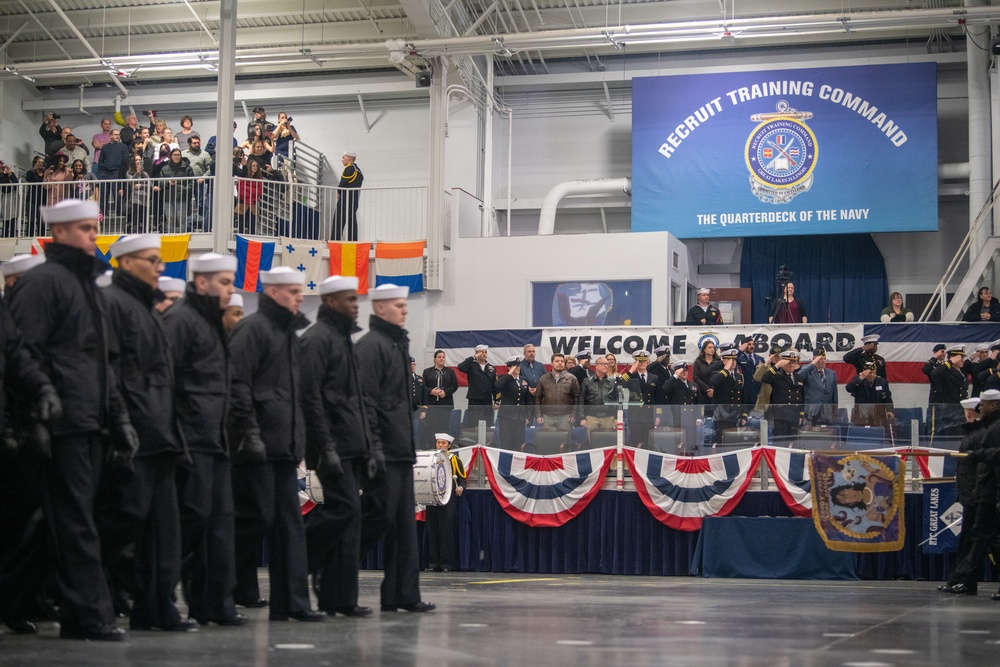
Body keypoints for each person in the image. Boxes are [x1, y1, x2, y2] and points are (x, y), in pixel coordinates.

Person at [9, 199, 138, 641]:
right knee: (73, 520)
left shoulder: (87, 288)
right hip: (62, 422)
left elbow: (104, 364)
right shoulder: (43, 283)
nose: (92, 236)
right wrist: (37, 417)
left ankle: (12, 598)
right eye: (84, 228)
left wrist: (117, 420)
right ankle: (86, 615)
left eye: (93, 228)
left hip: (89, 420)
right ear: (59, 232)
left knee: (63, 521)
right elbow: (24, 353)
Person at [101, 234, 195, 632]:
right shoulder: (113, 305)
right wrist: (124, 427)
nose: (160, 267)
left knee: (164, 533)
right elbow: (114, 375)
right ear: (125, 263)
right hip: (136, 435)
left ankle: (157, 607)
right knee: (122, 528)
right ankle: (99, 603)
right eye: (151, 260)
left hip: (160, 437)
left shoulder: (149, 310)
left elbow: (163, 380)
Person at [229, 266, 324, 623]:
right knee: (250, 523)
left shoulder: (289, 336)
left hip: (283, 449)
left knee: (288, 528)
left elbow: (296, 396)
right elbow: (238, 387)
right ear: (272, 292)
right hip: (255, 449)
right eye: (293, 292)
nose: (300, 297)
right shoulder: (251, 330)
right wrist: (250, 435)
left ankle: (293, 604)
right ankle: (217, 589)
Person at [162, 252, 245, 627]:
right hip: (189, 441)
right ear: (201, 283)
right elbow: (166, 385)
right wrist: (176, 438)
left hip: (215, 442)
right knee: (188, 525)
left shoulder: (212, 325)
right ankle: (158, 599)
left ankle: (214, 604)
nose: (232, 290)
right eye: (225, 283)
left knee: (218, 529)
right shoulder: (181, 321)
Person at [355, 283, 435, 613]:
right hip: (383, 450)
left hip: (401, 448)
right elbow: (366, 403)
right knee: (379, 519)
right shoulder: (371, 346)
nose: (404, 309)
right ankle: (334, 565)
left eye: (405, 305)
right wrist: (373, 447)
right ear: (379, 308)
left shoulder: (397, 344)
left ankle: (403, 594)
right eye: (398, 305)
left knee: (404, 526)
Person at [300, 275, 375, 617]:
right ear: (330, 302)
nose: (355, 305)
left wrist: (367, 445)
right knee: (343, 510)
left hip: (350, 443)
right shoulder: (317, 340)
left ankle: (339, 597)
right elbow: (310, 398)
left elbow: (356, 401)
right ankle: (296, 559)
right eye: (349, 300)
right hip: (332, 444)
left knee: (351, 521)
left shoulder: (343, 340)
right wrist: (323, 447)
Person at [940, 389, 1000, 596]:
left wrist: (979, 455)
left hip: (986, 490)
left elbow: (986, 463)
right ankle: (965, 580)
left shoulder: (990, 430)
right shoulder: (987, 428)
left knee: (983, 537)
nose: (979, 408)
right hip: (983, 490)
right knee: (980, 538)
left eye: (984, 404)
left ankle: (965, 580)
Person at [424, 433, 466, 573]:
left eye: (443, 443)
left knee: (445, 530)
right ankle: (432, 563)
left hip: (447, 499)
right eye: (438, 443)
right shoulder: (431, 458)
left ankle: (445, 564)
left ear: (449, 445)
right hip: (432, 497)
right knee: (432, 530)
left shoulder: (454, 459)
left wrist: (461, 487)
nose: (440, 445)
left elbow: (462, 479)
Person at [760, 349, 805, 442]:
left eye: (794, 362)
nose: (792, 365)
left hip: (794, 415)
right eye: (789, 362)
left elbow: (801, 396)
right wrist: (776, 366)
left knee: (793, 442)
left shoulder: (798, 377)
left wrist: (801, 414)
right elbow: (765, 378)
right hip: (780, 415)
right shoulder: (777, 376)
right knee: (780, 442)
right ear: (783, 363)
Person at [929, 345, 969, 442]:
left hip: (961, 413)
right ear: (953, 358)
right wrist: (950, 362)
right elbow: (934, 374)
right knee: (953, 441)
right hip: (951, 413)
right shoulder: (946, 372)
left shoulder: (961, 373)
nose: (963, 360)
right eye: (960, 358)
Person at [619, 351, 658, 447]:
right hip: (635, 414)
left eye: (644, 360)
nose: (642, 363)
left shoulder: (654, 377)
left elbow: (658, 397)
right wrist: (631, 370)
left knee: (648, 442)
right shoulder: (631, 377)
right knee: (635, 442)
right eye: (639, 361)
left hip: (649, 414)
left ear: (648, 362)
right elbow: (620, 383)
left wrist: (658, 414)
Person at [535, 353, 580, 431]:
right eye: (557, 361)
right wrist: (539, 415)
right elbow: (538, 398)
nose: (560, 363)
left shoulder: (572, 379)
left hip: (566, 416)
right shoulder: (543, 379)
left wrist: (573, 415)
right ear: (552, 363)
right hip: (547, 416)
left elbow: (577, 398)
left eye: (562, 361)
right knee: (548, 440)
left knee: (564, 441)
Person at [710, 348, 747, 441]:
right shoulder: (718, 374)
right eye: (730, 360)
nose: (733, 362)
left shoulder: (739, 376)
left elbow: (741, 396)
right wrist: (726, 369)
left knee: (734, 442)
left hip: (735, 415)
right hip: (722, 416)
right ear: (724, 360)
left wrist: (743, 414)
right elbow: (714, 382)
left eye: (734, 360)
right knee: (722, 441)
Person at [578, 355, 618, 438]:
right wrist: (582, 417)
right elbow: (581, 400)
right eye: (603, 364)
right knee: (591, 441)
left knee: (607, 441)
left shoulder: (612, 382)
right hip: (591, 416)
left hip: (608, 416)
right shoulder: (587, 381)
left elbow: (616, 401)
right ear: (596, 365)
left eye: (607, 364)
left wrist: (616, 417)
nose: (606, 366)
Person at [458, 344, 497, 431]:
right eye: (481, 352)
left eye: (485, 352)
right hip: (474, 400)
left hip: (487, 401)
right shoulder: (471, 366)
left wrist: (497, 400)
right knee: (473, 425)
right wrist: (473, 357)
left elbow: (495, 386)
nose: (484, 354)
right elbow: (460, 367)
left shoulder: (491, 368)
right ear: (476, 353)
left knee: (488, 425)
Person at [422, 350, 459, 439]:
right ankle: (432, 447)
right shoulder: (427, 372)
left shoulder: (450, 371)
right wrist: (431, 391)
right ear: (435, 359)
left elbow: (455, 385)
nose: (441, 359)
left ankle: (443, 447)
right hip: (432, 405)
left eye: (443, 357)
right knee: (432, 428)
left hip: (445, 405)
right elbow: (423, 387)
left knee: (444, 427)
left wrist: (445, 392)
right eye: (439, 357)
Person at [495, 356, 530, 450]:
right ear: (509, 367)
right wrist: (509, 374)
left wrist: (526, 415)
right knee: (507, 441)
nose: (518, 368)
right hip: (507, 416)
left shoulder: (523, 380)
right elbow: (497, 386)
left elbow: (526, 399)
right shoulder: (504, 379)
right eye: (515, 366)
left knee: (519, 441)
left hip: (520, 416)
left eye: (519, 366)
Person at [846, 360, 894, 428]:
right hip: (862, 416)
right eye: (869, 373)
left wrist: (889, 411)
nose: (872, 375)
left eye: (874, 373)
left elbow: (887, 398)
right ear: (864, 372)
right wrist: (860, 378)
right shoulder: (858, 381)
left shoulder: (882, 382)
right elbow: (848, 388)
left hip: (878, 416)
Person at [798, 349, 838, 426]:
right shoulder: (808, 371)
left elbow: (834, 393)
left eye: (824, 359)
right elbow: (799, 376)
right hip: (812, 410)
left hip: (827, 410)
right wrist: (812, 364)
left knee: (826, 433)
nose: (823, 361)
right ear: (814, 360)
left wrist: (834, 411)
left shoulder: (832, 373)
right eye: (820, 359)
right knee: (810, 433)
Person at [335, 151, 364, 241]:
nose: (342, 160)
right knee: (352, 220)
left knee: (338, 220)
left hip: (345, 199)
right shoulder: (358, 170)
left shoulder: (349, 169)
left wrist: (339, 192)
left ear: (349, 158)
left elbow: (343, 183)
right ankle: (353, 240)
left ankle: (335, 239)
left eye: (343, 157)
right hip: (354, 199)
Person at [692, 339, 721, 406]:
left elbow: (721, 377)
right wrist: (707, 389)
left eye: (713, 347)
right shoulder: (698, 362)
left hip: (716, 393)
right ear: (704, 350)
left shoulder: (718, 362)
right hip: (702, 394)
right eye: (709, 347)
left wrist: (713, 390)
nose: (712, 349)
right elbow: (696, 378)